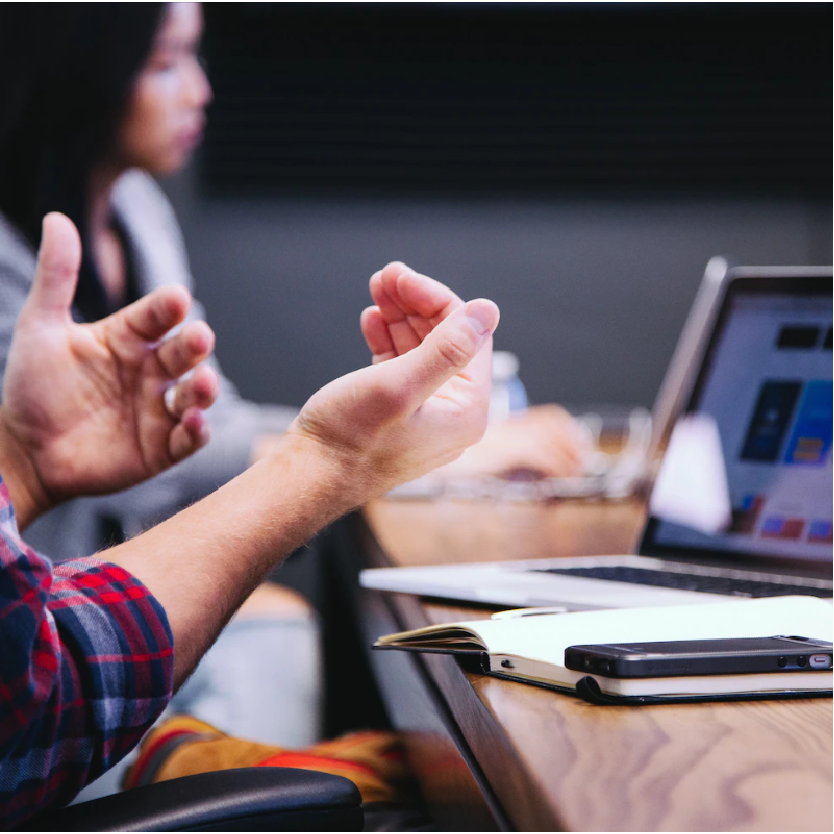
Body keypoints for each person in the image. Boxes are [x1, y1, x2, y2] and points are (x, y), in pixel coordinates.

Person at [0, 211, 500, 827]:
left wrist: (21, 465)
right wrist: (331, 461)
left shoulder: (137, 206)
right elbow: (34, 693)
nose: (202, 104)